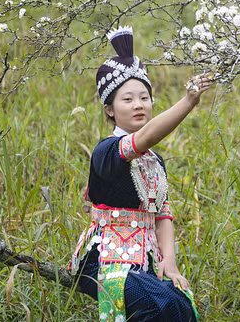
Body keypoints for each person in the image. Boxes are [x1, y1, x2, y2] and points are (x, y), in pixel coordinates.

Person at [69, 26, 212, 322]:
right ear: (109, 110)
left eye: (144, 98)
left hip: (143, 263)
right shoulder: (107, 151)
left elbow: (162, 214)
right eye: (128, 99)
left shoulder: (155, 160)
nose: (138, 105)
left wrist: (169, 264)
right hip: (105, 261)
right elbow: (144, 138)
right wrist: (188, 102)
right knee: (161, 305)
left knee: (183, 306)